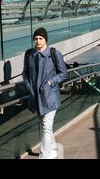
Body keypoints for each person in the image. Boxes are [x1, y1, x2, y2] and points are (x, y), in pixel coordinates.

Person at [23, 27, 68, 159]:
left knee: (46, 127)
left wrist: (50, 83)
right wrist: (28, 86)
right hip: (35, 97)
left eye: (40, 38)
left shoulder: (54, 53)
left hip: (50, 97)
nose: (38, 41)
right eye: (36, 38)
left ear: (45, 39)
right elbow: (25, 73)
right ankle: (53, 150)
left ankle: (44, 156)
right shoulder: (29, 55)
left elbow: (64, 74)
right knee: (45, 126)